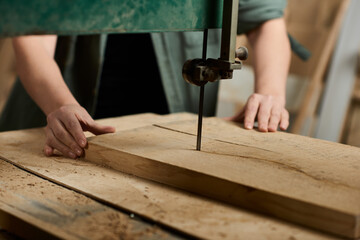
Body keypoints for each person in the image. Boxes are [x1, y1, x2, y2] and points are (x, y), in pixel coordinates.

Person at [0, 0, 309, 159]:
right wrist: (60, 105)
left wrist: (270, 93)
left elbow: (266, 21)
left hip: (171, 131)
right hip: (59, 121)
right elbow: (34, 37)